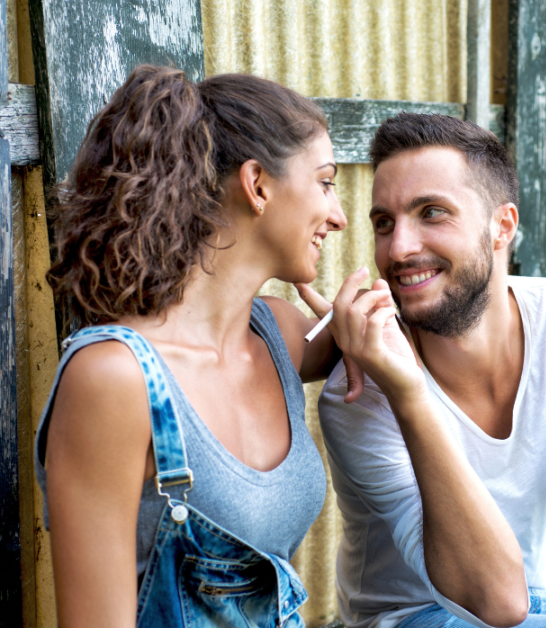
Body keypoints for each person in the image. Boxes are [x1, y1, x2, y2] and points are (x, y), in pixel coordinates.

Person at [33, 64, 394, 627]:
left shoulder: (281, 336)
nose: (340, 215)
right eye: (325, 182)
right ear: (257, 186)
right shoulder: (113, 377)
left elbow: (397, 335)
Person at [310, 113, 546, 628]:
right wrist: (410, 395)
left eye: (431, 213)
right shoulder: (361, 391)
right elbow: (495, 600)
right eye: (384, 222)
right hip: (417, 616)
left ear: (502, 227)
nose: (400, 247)